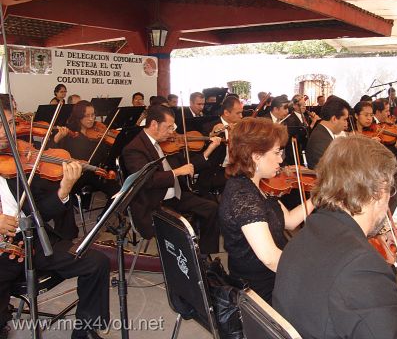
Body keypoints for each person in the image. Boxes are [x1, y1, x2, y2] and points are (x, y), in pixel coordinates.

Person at [273, 135, 397, 339]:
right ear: (380, 191)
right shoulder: (362, 267)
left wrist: (388, 260)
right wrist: (377, 267)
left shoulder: (309, 232)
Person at [0, 95, 110, 339]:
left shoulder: (17, 159)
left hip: (32, 242)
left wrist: (64, 190)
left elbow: (40, 211)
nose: (6, 132)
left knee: (96, 262)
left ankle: (85, 331)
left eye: (9, 123)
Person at [219, 118, 312, 304]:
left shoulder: (259, 185)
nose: (281, 159)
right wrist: (311, 273)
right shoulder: (243, 195)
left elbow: (290, 221)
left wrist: (318, 198)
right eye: (277, 152)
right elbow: (270, 258)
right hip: (262, 287)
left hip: (275, 271)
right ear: (256, 156)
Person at [122, 105, 221, 255]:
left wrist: (210, 149)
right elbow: (147, 181)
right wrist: (176, 172)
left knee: (212, 208)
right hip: (154, 204)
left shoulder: (163, 143)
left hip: (174, 195)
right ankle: (186, 259)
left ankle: (205, 255)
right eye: (168, 127)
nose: (172, 132)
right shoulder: (134, 149)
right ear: (154, 124)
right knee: (184, 226)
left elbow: (188, 166)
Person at [52, 100, 120, 209]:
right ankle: (105, 219)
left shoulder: (96, 132)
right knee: (116, 190)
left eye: (93, 115)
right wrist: (57, 138)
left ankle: (105, 217)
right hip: (80, 175)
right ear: (79, 117)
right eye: (87, 116)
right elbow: (56, 153)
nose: (91, 119)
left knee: (120, 192)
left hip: (97, 171)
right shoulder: (70, 135)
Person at [306, 96, 350, 169]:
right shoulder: (320, 139)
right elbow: (334, 170)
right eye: (344, 119)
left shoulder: (323, 132)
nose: (346, 124)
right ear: (334, 119)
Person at [282, 94, 319, 165]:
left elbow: (312, 134)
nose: (304, 106)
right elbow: (300, 136)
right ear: (294, 106)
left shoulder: (307, 117)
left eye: (304, 104)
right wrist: (313, 123)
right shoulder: (290, 119)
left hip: (306, 151)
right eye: (301, 104)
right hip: (295, 154)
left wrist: (315, 121)